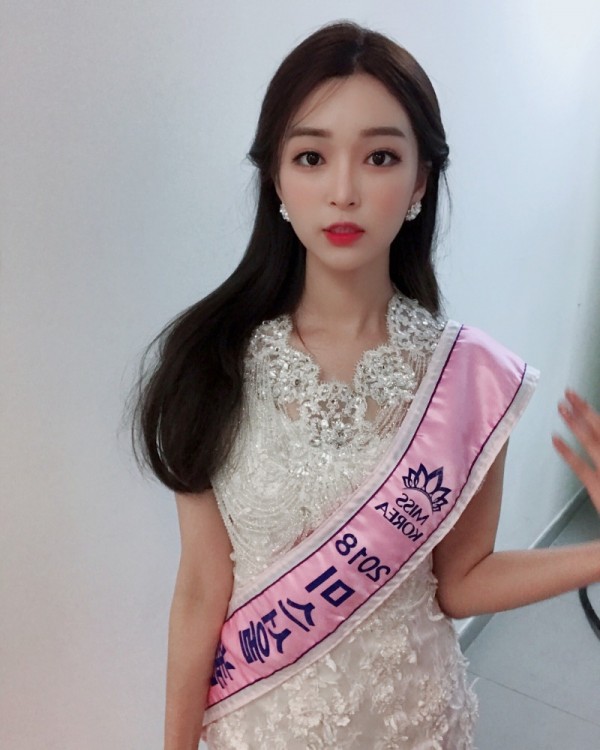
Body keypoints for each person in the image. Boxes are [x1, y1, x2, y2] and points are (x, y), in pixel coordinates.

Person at [133, 21, 600, 750]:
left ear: (420, 180)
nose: (344, 191)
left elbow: (462, 581)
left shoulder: (469, 377)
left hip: (418, 726)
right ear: (276, 178)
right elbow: (199, 589)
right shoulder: (209, 362)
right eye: (312, 156)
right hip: (258, 726)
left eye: (380, 156)